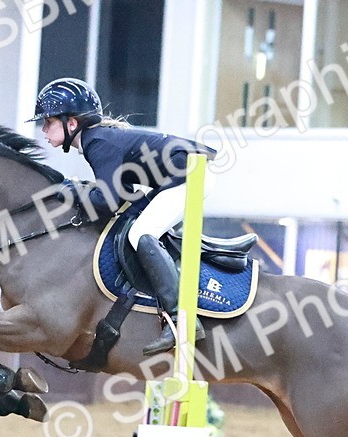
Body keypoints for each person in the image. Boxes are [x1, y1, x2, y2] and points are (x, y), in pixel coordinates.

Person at [30, 77, 215, 356]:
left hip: (190, 175)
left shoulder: (98, 143)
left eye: (49, 122)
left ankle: (181, 321)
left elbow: (106, 200)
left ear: (71, 123)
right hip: (180, 175)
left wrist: (71, 190)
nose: (43, 129)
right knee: (133, 226)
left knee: (140, 234)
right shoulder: (97, 141)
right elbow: (123, 192)